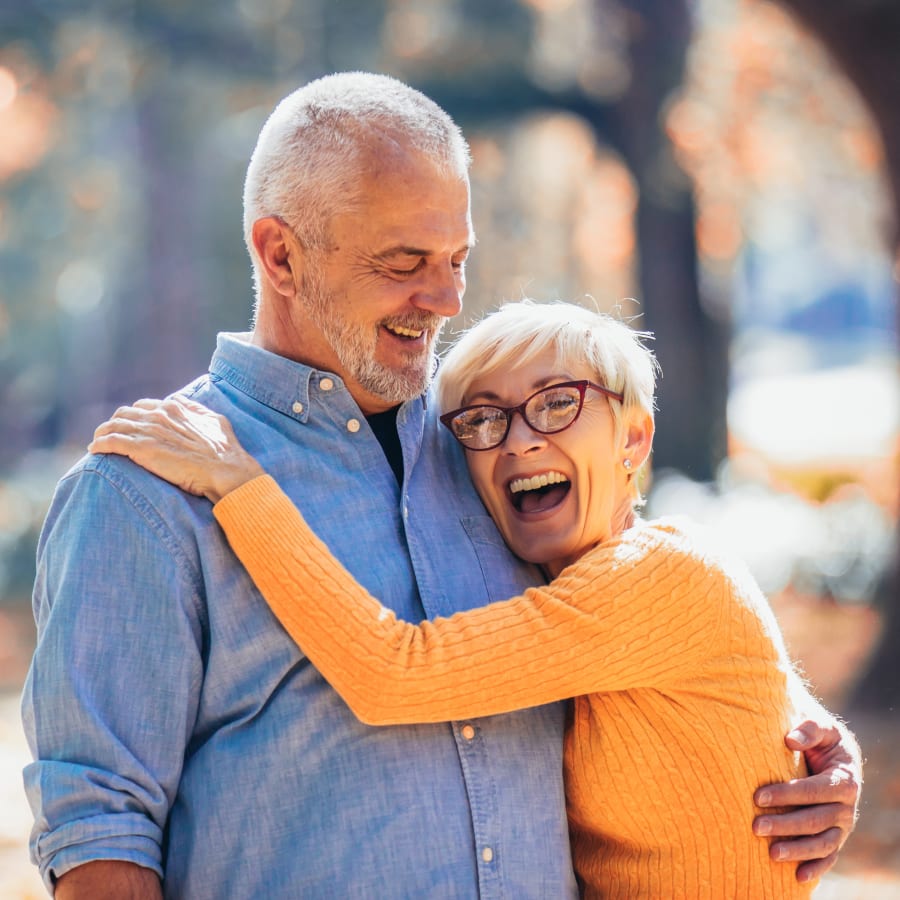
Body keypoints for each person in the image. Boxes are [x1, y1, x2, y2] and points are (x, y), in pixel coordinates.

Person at [22, 72, 859, 899]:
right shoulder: (147, 492)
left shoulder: (496, 458)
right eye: (405, 261)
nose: (449, 297)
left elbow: (646, 627)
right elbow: (100, 835)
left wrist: (810, 746)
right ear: (280, 254)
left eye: (458, 258)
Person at [90, 300, 858, 897]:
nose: (519, 440)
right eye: (484, 419)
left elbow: (395, 673)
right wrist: (825, 743)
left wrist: (239, 484)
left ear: (633, 439)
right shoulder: (564, 584)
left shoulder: (663, 573)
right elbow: (746, 693)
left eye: (557, 403)